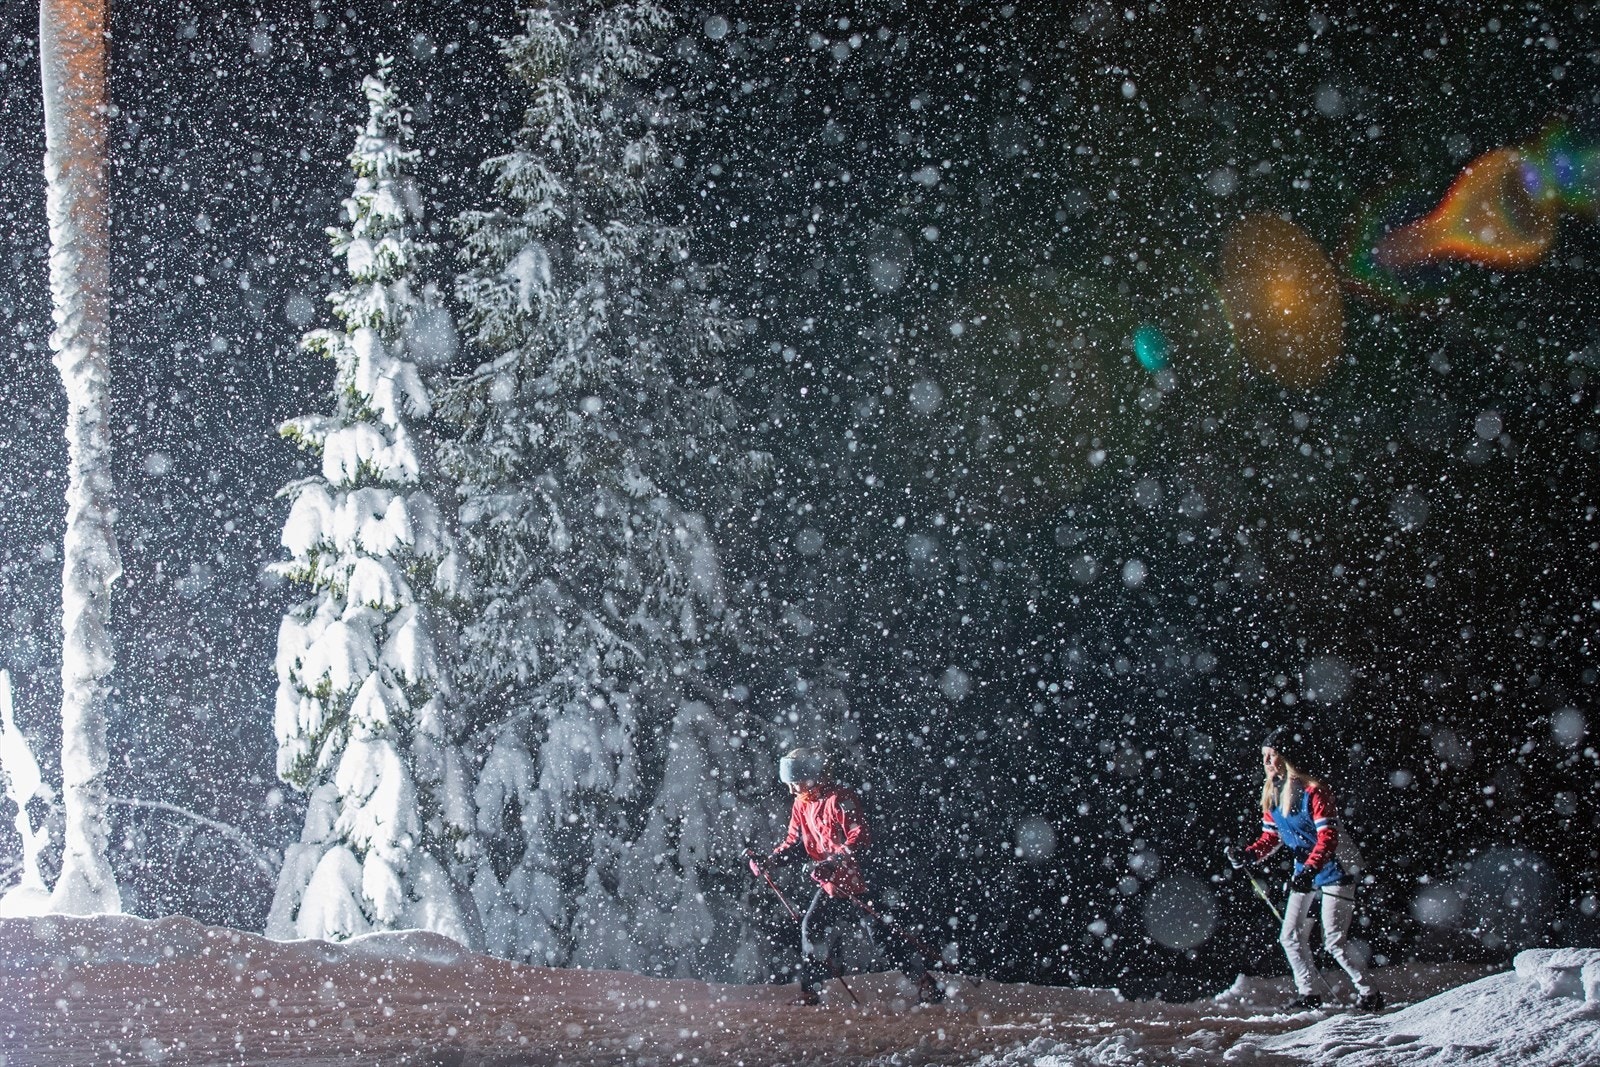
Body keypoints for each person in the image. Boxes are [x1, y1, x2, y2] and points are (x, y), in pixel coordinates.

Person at [749, 747, 941, 1006]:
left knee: (882, 941)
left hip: (860, 882)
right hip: (832, 884)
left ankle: (925, 982)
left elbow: (859, 838)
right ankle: (810, 992)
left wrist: (833, 862)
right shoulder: (801, 805)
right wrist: (769, 861)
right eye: (790, 784)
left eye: (796, 783)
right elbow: (795, 844)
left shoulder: (840, 798)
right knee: (811, 928)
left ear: (813, 775)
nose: (792, 790)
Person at [1226, 727, 1383, 1012]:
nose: (1267, 763)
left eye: (1272, 756)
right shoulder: (1273, 794)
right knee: (1290, 936)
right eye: (1264, 757)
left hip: (1335, 869)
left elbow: (1328, 838)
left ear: (1287, 758)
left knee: (1334, 941)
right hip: (1306, 872)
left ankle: (1369, 993)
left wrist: (1311, 869)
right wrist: (1248, 855)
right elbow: (1270, 838)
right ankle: (1309, 993)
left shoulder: (1315, 791)